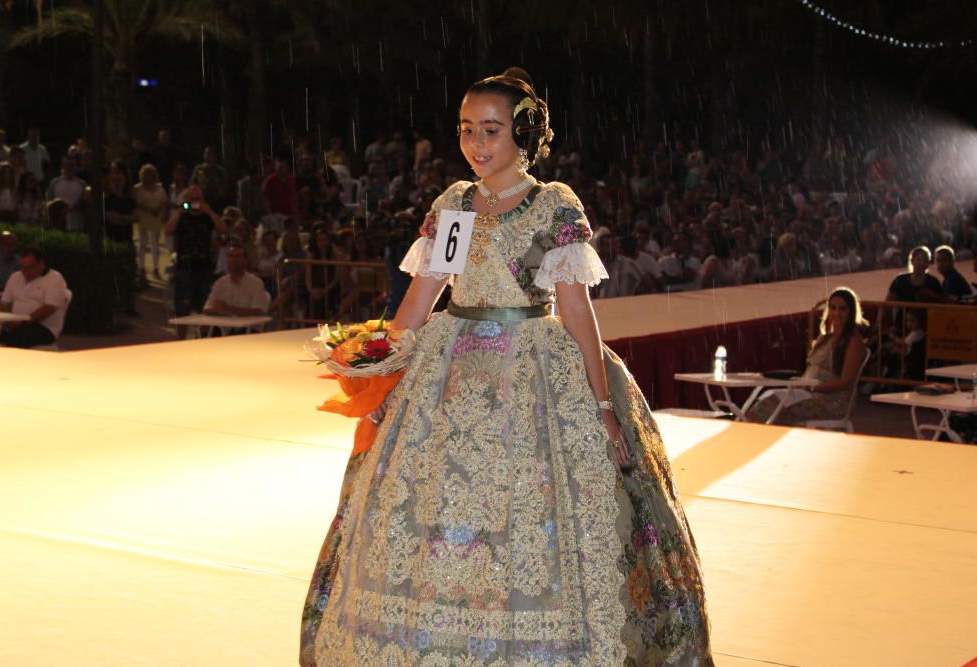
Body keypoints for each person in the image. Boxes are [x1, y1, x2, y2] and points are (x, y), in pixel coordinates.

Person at [300, 67, 712, 666]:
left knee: (533, 511)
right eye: (467, 130)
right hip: (446, 372)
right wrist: (378, 367)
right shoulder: (455, 206)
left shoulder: (552, 206)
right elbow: (420, 299)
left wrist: (602, 406)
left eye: (491, 130)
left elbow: (577, 312)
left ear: (523, 134)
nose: (476, 144)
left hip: (534, 368)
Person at [748, 287, 868, 425]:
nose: (837, 313)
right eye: (833, 308)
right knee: (769, 397)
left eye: (842, 309)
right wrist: (801, 385)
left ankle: (750, 434)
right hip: (808, 392)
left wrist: (812, 387)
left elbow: (845, 382)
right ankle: (747, 431)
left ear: (851, 312)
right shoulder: (825, 338)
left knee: (776, 405)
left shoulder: (853, 341)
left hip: (832, 400)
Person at [164, 185, 227, 335]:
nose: (195, 203)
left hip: (204, 266)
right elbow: (167, 230)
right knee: (182, 307)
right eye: (191, 199)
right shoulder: (182, 216)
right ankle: (181, 341)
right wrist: (180, 211)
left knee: (203, 305)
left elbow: (223, 229)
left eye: (198, 199)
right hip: (184, 266)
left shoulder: (207, 217)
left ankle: (202, 339)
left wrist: (209, 212)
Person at [0, 247, 69, 348]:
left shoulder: (54, 278)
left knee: (17, 337)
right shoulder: (15, 277)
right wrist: (5, 319)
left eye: (30, 268)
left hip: (44, 328)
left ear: (42, 264)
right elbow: (4, 303)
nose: (25, 271)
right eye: (22, 267)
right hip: (15, 325)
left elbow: (49, 308)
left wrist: (23, 322)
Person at [203, 244, 270, 317]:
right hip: (224, 326)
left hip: (247, 326)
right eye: (231, 256)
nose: (234, 260)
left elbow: (259, 311)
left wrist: (228, 309)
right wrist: (215, 310)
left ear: (246, 260)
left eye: (238, 256)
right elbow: (207, 309)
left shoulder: (256, 283)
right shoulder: (220, 283)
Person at [133, 164, 168, 279]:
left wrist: (159, 210)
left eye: (150, 174)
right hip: (144, 217)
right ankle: (141, 266)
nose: (148, 176)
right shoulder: (138, 188)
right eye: (146, 174)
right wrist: (148, 209)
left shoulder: (160, 188)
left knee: (155, 244)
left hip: (156, 217)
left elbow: (164, 201)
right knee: (142, 243)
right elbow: (136, 203)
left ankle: (156, 267)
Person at [45, 157, 87, 231]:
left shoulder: (82, 184)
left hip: (77, 223)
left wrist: (78, 206)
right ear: (63, 166)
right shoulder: (54, 182)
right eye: (67, 165)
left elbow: (85, 201)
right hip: (58, 225)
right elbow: (49, 201)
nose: (69, 168)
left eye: (72, 165)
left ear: (76, 167)